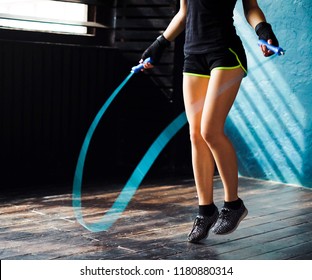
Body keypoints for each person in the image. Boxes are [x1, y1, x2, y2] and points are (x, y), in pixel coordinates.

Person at [140, 0, 279, 243]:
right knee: (196, 135)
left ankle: (233, 204)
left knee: (210, 131)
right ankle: (205, 211)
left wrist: (264, 30)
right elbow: (184, 13)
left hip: (224, 52)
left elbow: (251, 7)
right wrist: (159, 43)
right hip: (193, 55)